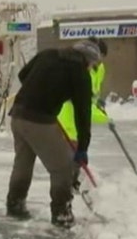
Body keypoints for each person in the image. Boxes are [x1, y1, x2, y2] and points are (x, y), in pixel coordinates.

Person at [6, 39, 102, 228]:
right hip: (39, 121)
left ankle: (15, 205)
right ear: (87, 60)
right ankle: (61, 213)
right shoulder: (80, 73)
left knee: (23, 163)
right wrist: (82, 148)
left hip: (18, 115)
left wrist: (42, 91)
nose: (91, 68)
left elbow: (23, 74)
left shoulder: (48, 53)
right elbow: (83, 114)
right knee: (63, 167)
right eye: (92, 65)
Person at [57, 36, 110, 190]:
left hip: (82, 111)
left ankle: (72, 181)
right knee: (72, 150)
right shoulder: (77, 69)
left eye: (103, 57)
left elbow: (94, 91)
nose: (100, 60)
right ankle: (67, 184)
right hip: (69, 116)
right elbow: (80, 99)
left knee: (78, 148)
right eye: (99, 56)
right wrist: (106, 118)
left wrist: (97, 101)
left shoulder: (99, 68)